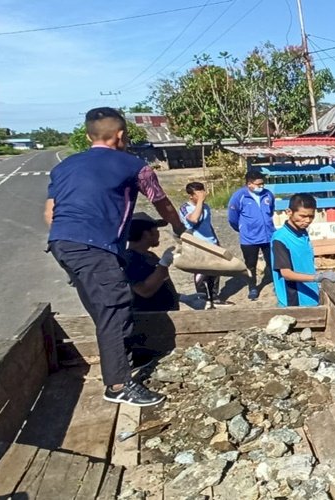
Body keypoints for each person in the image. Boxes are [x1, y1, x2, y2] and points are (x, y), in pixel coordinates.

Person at [45, 107, 185, 407]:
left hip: (61, 242)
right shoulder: (135, 166)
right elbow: (161, 203)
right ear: (121, 135)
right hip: (94, 246)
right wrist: (177, 226)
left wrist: (72, 244)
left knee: (102, 307)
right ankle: (119, 385)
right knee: (115, 308)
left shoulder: (63, 167)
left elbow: (50, 213)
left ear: (88, 136)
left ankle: (121, 359)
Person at [270, 194, 335, 307]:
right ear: (289, 212)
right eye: (302, 216)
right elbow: (286, 274)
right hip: (294, 301)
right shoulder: (280, 239)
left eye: (311, 216)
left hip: (310, 295)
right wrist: (318, 277)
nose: (307, 220)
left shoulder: (302, 232)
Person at [179, 182, 233, 309]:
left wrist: (217, 241)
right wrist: (199, 203)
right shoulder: (185, 207)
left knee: (215, 271)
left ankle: (215, 297)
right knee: (201, 272)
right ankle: (203, 298)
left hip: (211, 243)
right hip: (196, 244)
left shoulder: (206, 207)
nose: (203, 195)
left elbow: (208, 225)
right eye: (198, 193)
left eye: (203, 192)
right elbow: (194, 219)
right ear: (191, 196)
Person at [228, 171, 275, 300]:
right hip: (249, 239)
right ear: (249, 184)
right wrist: (243, 229)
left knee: (273, 261)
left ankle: (276, 284)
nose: (261, 186)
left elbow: (270, 211)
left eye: (263, 183)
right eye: (258, 184)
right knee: (250, 264)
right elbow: (232, 218)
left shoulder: (268, 195)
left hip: (268, 236)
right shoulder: (239, 197)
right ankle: (253, 286)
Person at [124, 213, 180, 313]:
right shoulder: (129, 259)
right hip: (148, 320)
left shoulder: (150, 256)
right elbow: (144, 290)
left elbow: (159, 285)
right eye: (156, 230)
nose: (158, 234)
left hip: (164, 318)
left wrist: (180, 297)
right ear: (146, 234)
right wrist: (163, 264)